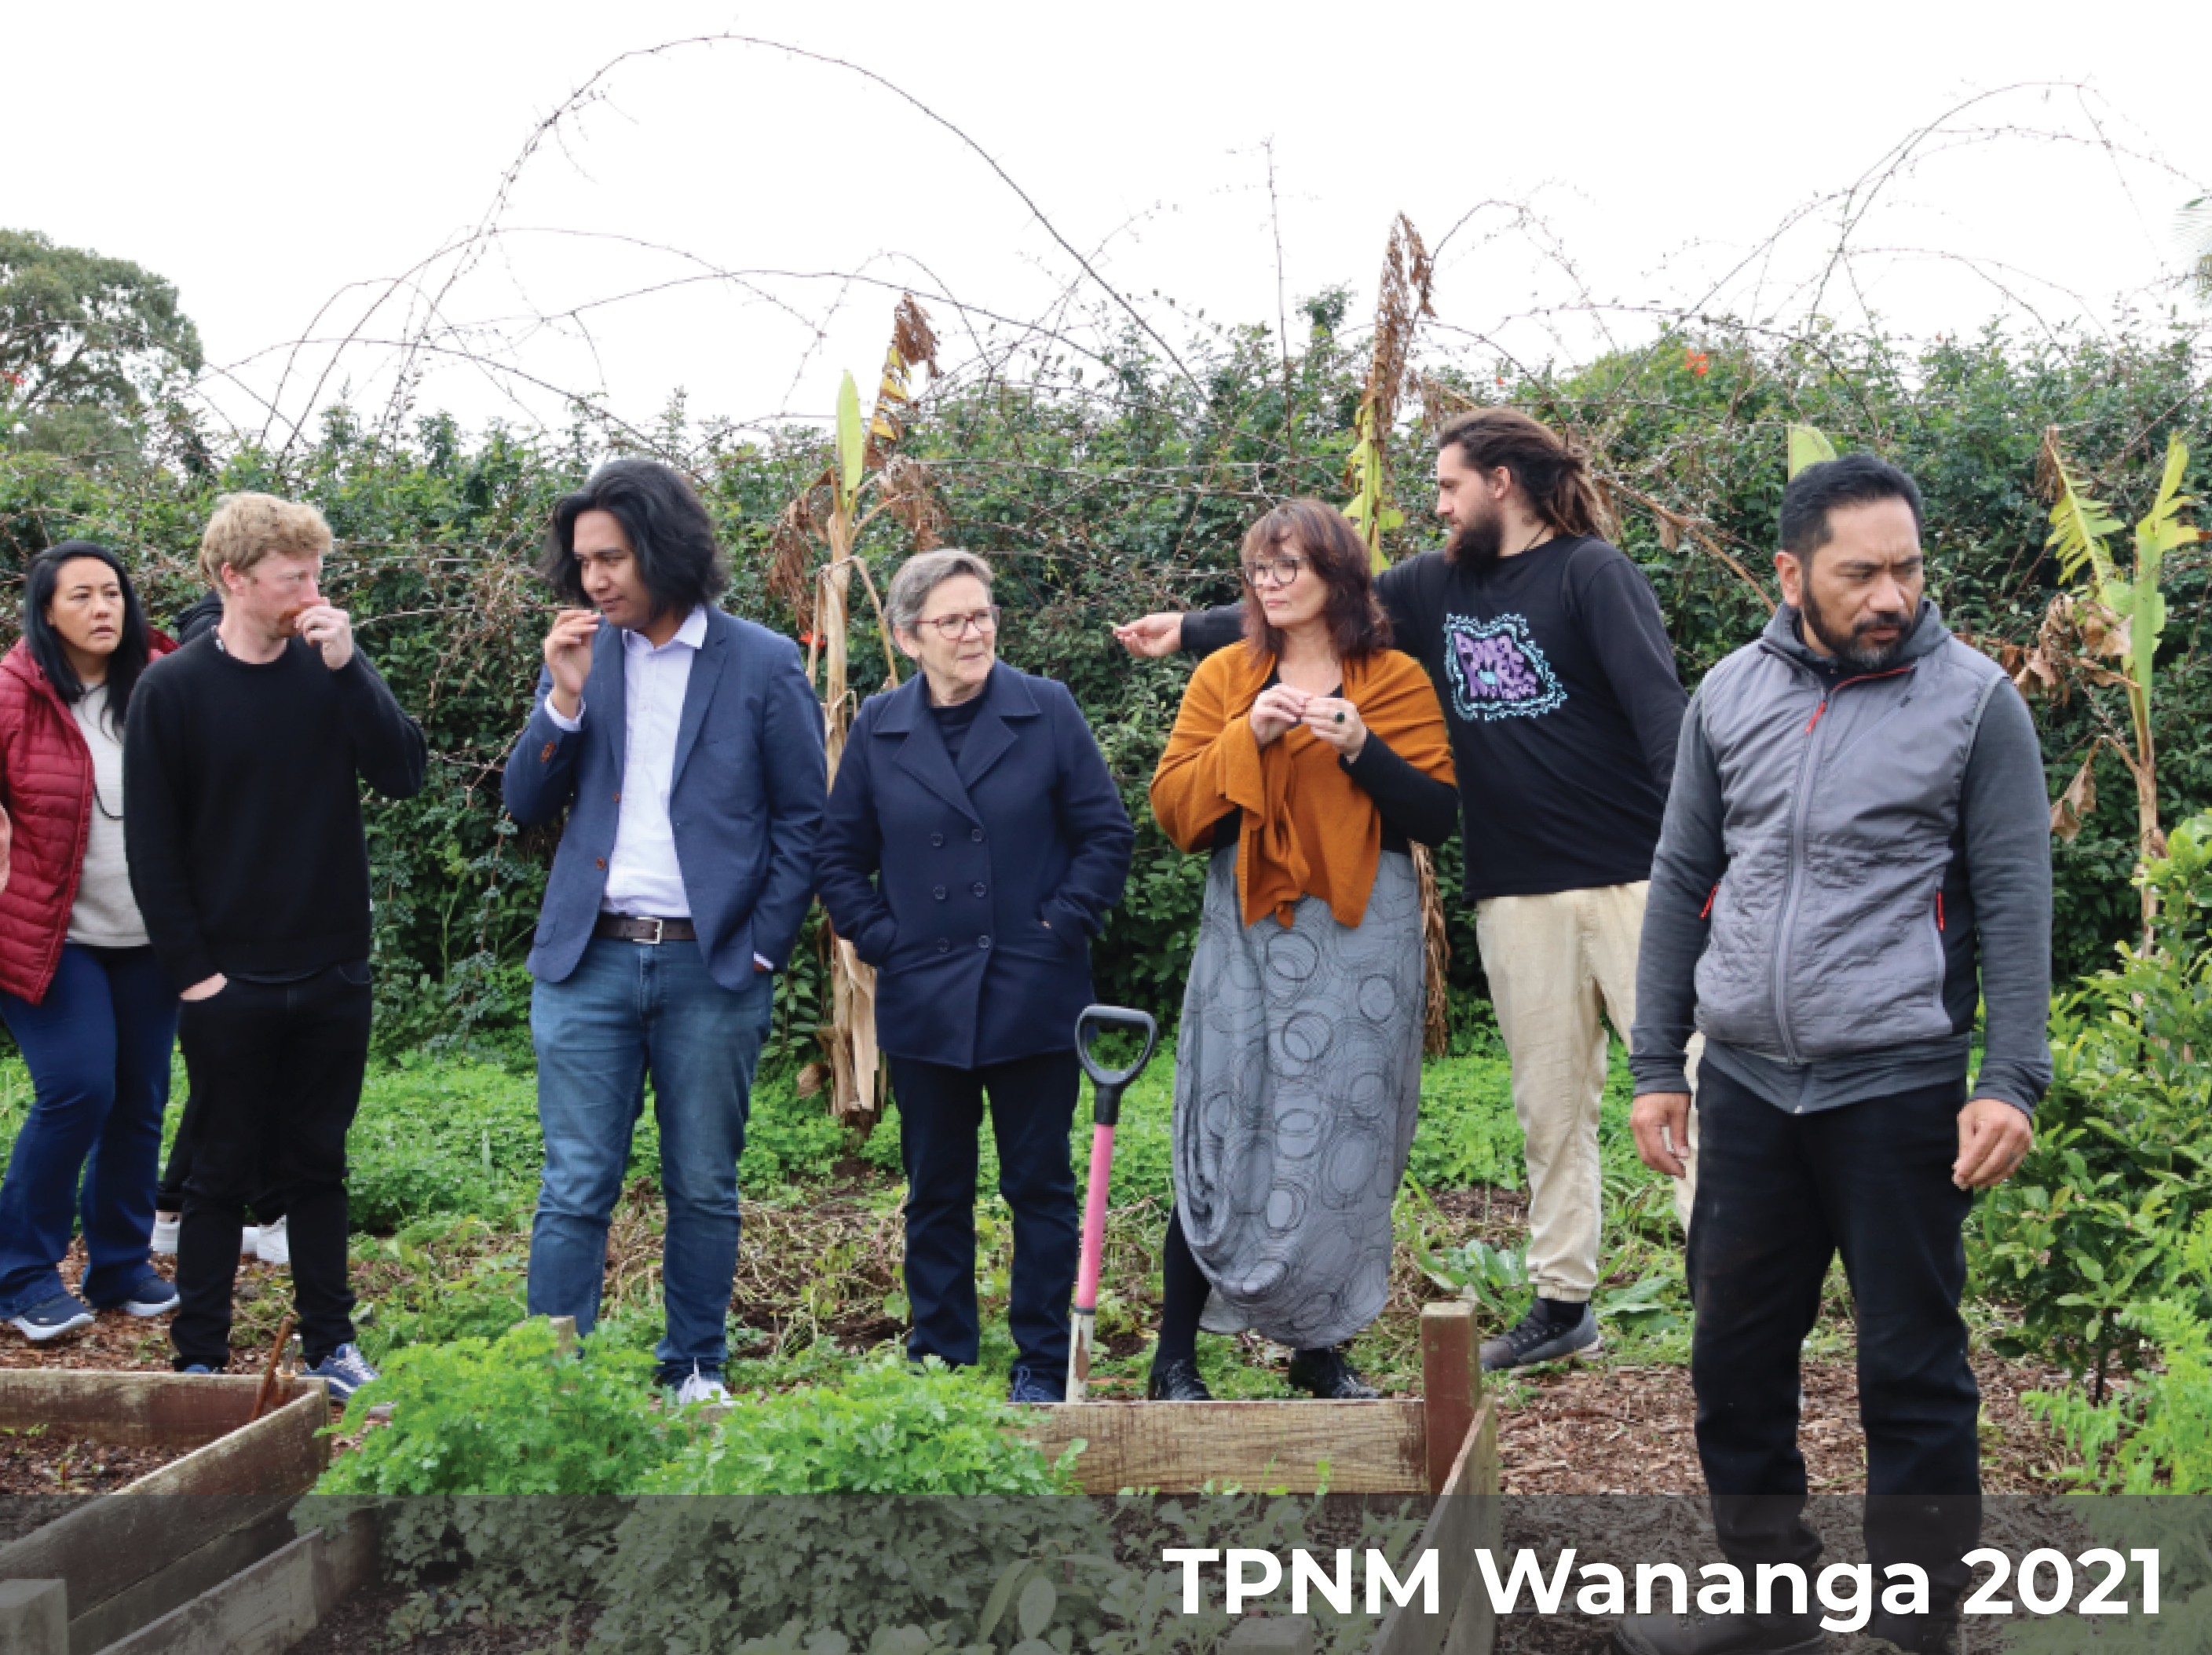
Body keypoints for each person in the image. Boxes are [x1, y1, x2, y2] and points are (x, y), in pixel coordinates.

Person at [1117, 410, 1695, 1373]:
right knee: (1549, 1109)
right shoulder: (1437, 585)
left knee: (1687, 1089)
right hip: (1517, 887)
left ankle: (1731, 1294)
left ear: (1501, 482)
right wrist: (1185, 630)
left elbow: (1660, 712)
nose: (1438, 505)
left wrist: (1689, 859)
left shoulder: (1592, 573)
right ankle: (1563, 1299)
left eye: (1448, 486)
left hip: (1635, 872)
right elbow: (1310, 598)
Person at [1618, 455, 2050, 1655]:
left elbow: (2015, 902)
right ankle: (1771, 1603)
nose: (1889, 596)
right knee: (1733, 1361)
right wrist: (1655, 1065)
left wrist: (2009, 1080)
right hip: (1747, 1083)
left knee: (1911, 1370)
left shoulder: (1976, 704)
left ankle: (1917, 1627)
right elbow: (1682, 877)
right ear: (1791, 574)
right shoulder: (1728, 695)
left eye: (1905, 568)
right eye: (1859, 573)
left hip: (1896, 1083)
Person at [503, 459, 826, 1407]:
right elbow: (526, 800)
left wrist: (761, 945)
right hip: (588, 961)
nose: (595, 578)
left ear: (664, 547)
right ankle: (557, 1384)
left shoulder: (760, 660)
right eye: (583, 561)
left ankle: (694, 1365)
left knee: (703, 1183)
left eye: (612, 557)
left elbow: (805, 819)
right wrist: (563, 700)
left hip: (709, 966)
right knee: (574, 1184)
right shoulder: (581, 654)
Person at [1145, 500, 1456, 1402]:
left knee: (1345, 1132)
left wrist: (1361, 747)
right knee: (1225, 1121)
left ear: (1338, 575)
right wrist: (1247, 735)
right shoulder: (1224, 676)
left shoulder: (1392, 678)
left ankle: (1319, 1351)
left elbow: (1436, 812)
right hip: (1249, 928)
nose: (1269, 582)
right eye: (1259, 567)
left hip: (1362, 937)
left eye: (1289, 566)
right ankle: (1173, 1357)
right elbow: (1175, 811)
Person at [125, 493, 428, 1397]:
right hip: (229, 978)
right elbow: (153, 848)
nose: (312, 592)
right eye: (294, 577)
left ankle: (330, 1344)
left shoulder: (329, 669)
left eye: (317, 574)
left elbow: (403, 771)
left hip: (332, 969)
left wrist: (350, 665)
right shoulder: (172, 690)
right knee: (218, 1171)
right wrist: (196, 975)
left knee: (317, 1166)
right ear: (234, 578)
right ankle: (201, 1358)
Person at [814, 549, 1134, 1405]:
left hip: (1033, 988)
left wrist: (1060, 922)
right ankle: (942, 1356)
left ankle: (1041, 1361)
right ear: (908, 637)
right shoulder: (880, 727)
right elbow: (838, 856)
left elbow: (1106, 834)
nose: (973, 632)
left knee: (1039, 1185)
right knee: (936, 1188)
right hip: (924, 993)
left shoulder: (1046, 708)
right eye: (951, 619)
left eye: (982, 614)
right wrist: (884, 939)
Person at [0, 543, 180, 1339]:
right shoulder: (12, 692)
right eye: (81, 595)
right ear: (46, 611)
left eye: (112, 592)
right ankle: (19, 1274)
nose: (103, 607)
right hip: (50, 935)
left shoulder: (162, 680)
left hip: (148, 937)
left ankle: (119, 1264)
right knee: (78, 1089)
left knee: (138, 1099)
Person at [148, 589, 288, 1270]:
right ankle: (267, 1210)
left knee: (233, 1080)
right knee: (237, 1078)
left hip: (263, 916)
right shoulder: (202, 664)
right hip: (221, 922)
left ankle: (174, 1209)